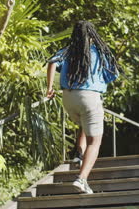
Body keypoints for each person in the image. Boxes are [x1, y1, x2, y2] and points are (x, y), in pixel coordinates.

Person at [46, 20, 119, 194]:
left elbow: (51, 62)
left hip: (68, 97)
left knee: (84, 127)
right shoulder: (99, 52)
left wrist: (49, 88)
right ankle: (82, 179)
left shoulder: (68, 50)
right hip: (90, 97)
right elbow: (112, 75)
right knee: (95, 141)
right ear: (93, 36)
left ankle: (79, 156)